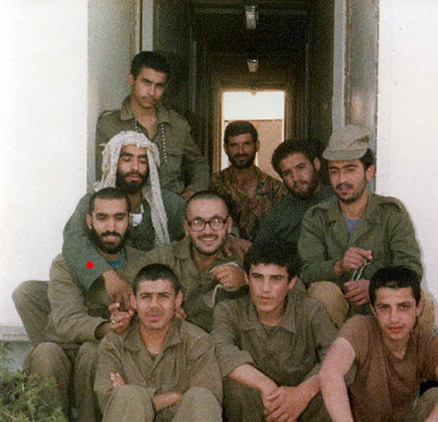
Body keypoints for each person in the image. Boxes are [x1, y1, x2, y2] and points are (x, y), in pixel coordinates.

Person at [12, 130, 186, 345]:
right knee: (28, 293)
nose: (135, 167)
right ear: (113, 162)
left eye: (142, 161)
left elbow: (192, 236)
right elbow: (75, 245)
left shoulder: (167, 204)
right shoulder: (93, 200)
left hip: (142, 285)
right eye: (127, 159)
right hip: (95, 280)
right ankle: (53, 354)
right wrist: (106, 274)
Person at [25, 188, 142, 422]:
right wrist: (107, 327)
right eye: (102, 218)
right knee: (44, 354)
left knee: (93, 351)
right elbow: (66, 321)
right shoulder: (74, 264)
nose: (111, 227)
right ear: (89, 221)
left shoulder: (141, 263)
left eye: (119, 218)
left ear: (129, 220)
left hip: (108, 355)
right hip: (65, 350)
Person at [320, 266, 438, 422]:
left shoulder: (428, 344)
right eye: (384, 307)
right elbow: (330, 374)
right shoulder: (360, 328)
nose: (394, 318)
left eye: (403, 307)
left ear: (418, 307)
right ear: (373, 310)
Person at [211, 242, 337, 422]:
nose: (265, 288)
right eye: (257, 277)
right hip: (252, 420)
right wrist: (267, 387)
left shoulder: (311, 311)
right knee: (234, 383)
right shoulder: (229, 311)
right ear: (246, 278)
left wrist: (301, 394)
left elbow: (339, 358)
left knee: (333, 381)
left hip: (302, 418)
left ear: (292, 282)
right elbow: (220, 351)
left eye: (276, 279)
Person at [94, 263, 225, 422]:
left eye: (163, 296)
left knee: (200, 398)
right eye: (146, 297)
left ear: (178, 300)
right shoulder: (113, 344)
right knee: (127, 397)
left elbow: (208, 399)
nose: (154, 306)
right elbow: (109, 403)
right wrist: (175, 396)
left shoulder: (198, 341)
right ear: (133, 301)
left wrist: (141, 402)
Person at [297, 124, 426, 327]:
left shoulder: (391, 212)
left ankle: (406, 349)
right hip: (336, 314)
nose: (342, 180)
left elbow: (411, 268)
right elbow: (306, 271)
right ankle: (333, 350)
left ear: (369, 172)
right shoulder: (317, 217)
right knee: (323, 294)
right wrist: (339, 265)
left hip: (382, 308)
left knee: (424, 303)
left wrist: (376, 287)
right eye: (334, 171)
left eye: (350, 169)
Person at [96, 51, 209, 199]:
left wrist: (193, 192)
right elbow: (102, 175)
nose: (152, 92)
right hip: (128, 206)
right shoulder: (109, 125)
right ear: (131, 79)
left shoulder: (177, 125)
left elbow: (199, 164)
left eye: (159, 86)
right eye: (146, 83)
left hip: (170, 206)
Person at [132, 191, 247, 332]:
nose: (207, 231)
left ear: (228, 225)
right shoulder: (163, 257)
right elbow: (125, 291)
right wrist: (159, 310)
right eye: (198, 222)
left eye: (216, 221)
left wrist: (246, 281)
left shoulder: (245, 259)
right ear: (186, 228)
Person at [210, 120, 286, 243]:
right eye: (234, 145)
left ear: (257, 145)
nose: (240, 151)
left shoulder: (275, 188)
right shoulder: (215, 184)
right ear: (225, 148)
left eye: (246, 144)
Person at [254, 138, 334, 248]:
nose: (295, 178)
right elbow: (258, 253)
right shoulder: (278, 214)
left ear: (316, 164)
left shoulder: (340, 200)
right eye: (287, 173)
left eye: (300, 168)